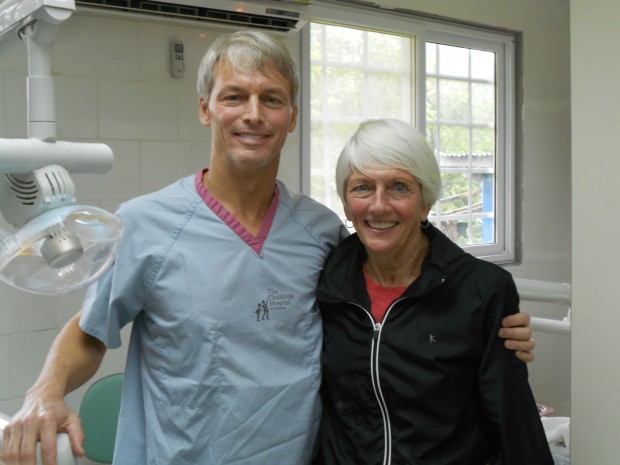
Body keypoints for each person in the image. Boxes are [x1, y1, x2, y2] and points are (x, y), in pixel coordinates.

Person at [1, 32, 535, 465]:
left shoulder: (321, 232)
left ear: (292, 117)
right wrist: (44, 392)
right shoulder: (146, 223)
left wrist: (491, 324)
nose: (253, 114)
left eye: (271, 99)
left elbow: (394, 306)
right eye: (235, 96)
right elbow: (90, 330)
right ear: (207, 109)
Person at [313, 118, 552, 465]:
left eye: (399, 187)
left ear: (426, 201)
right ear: (347, 203)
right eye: (362, 187)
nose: (379, 205)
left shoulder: (482, 290)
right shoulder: (326, 281)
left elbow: (513, 419)